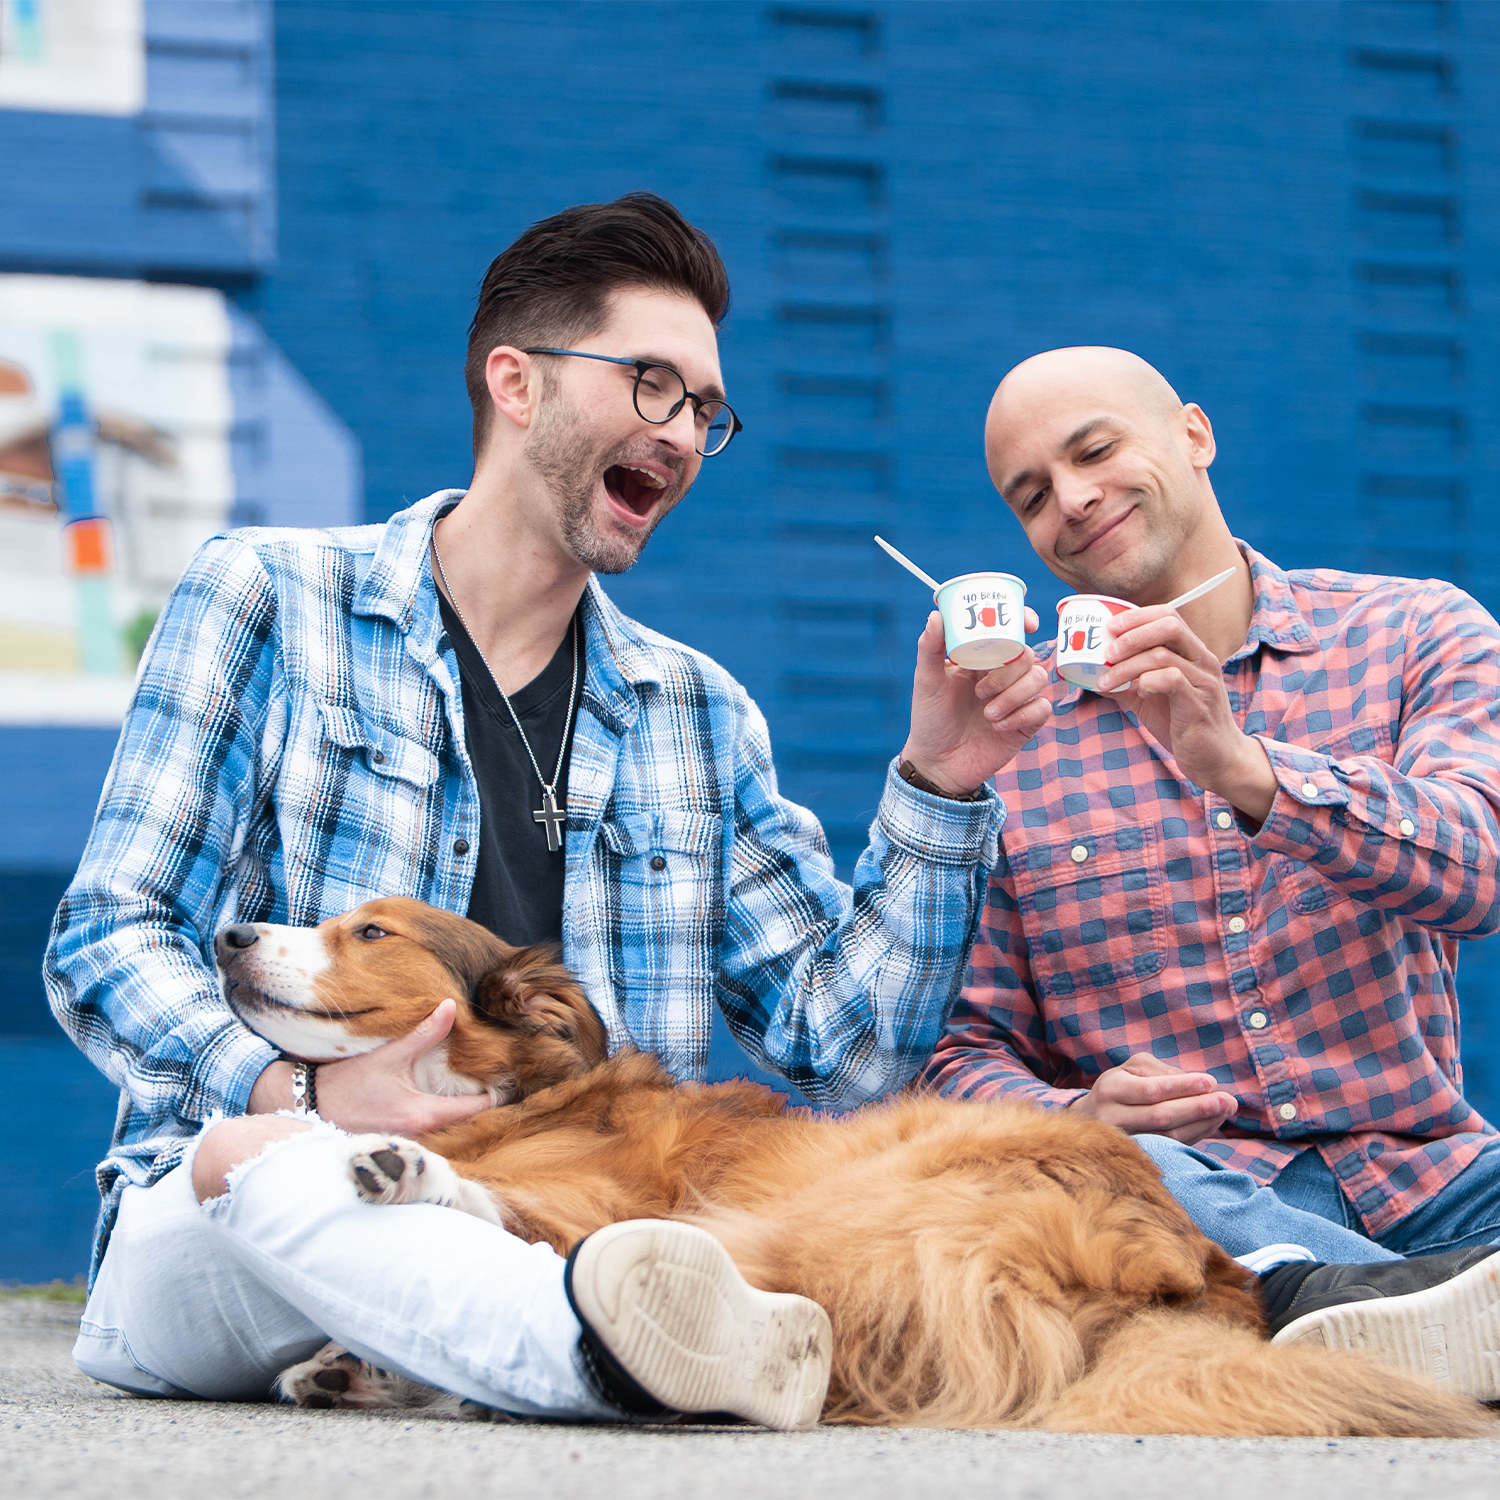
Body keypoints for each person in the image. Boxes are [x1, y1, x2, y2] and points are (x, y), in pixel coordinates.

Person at [44, 194, 1058, 1424]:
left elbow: (848, 1051)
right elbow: (111, 936)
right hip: (242, 1209)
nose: (683, 435)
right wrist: (297, 1099)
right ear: (515, 383)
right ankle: (618, 1351)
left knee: (622, 1225)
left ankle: (615, 1327)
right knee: (320, 1186)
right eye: (651, 384)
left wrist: (943, 782)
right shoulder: (270, 598)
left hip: (574, 1213)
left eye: (704, 410)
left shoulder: (695, 712)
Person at [924, 345, 1500, 1390]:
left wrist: (1250, 772)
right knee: (1104, 1186)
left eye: (1094, 450)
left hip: (1437, 1180)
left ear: (1195, 434)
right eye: (1032, 495)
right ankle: (1402, 1313)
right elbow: (962, 1047)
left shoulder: (1416, 630)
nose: (1073, 499)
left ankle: (1393, 1317)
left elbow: (1481, 869)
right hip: (1193, 1196)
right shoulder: (1011, 734)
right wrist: (1074, 1118)